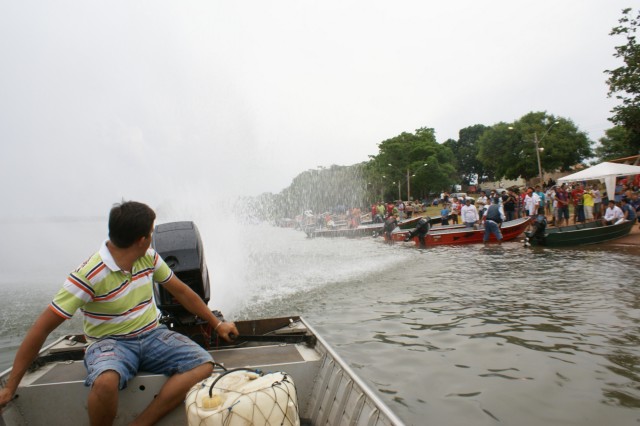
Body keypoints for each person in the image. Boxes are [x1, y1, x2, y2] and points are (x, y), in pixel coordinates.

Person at [0, 201, 239, 425]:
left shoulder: (149, 258)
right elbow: (41, 329)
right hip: (109, 343)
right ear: (141, 239)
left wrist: (217, 324)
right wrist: (11, 387)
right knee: (105, 382)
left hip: (152, 334)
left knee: (202, 364)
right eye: (152, 232)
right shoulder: (87, 276)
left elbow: (183, 293)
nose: (153, 237)